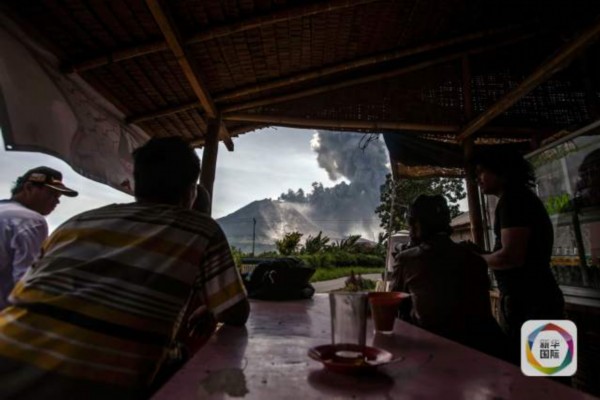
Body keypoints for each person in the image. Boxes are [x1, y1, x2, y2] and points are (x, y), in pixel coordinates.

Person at [0, 137, 249, 399]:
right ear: (191, 191)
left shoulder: (77, 222)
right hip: (86, 385)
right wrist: (213, 306)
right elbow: (236, 312)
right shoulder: (201, 230)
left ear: (136, 184)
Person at [472, 147, 564, 362]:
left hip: (533, 304)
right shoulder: (519, 199)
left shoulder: (514, 201)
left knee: (543, 381)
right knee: (546, 375)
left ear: (502, 172)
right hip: (536, 300)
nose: (478, 178)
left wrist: (478, 258)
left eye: (482, 171)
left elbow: (511, 257)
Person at [390, 195, 507, 359]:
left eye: (411, 223)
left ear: (416, 225)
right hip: (481, 354)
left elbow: (391, 307)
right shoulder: (473, 258)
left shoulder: (407, 260)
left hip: (431, 354)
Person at [0, 166, 78, 309]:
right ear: (29, 187)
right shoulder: (31, 220)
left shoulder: (4, 211)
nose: (57, 201)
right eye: (52, 194)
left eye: (58, 197)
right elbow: (26, 280)